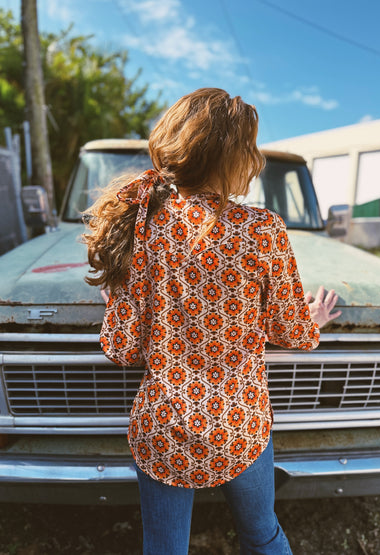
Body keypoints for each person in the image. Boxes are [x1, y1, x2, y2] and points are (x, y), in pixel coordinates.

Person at [83, 88, 341, 555]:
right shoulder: (263, 230)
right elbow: (293, 333)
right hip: (238, 423)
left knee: (164, 548)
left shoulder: (141, 227)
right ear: (235, 156)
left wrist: (122, 301)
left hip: (164, 424)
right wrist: (314, 318)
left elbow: (120, 349)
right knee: (262, 535)